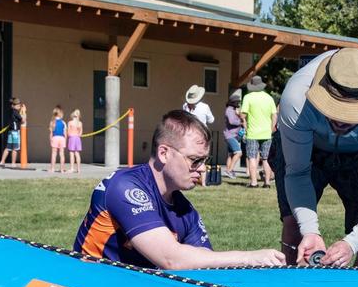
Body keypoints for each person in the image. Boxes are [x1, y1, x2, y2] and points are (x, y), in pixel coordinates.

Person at [74, 110, 285, 269]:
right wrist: (249, 258)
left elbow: (204, 263)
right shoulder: (124, 187)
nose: (202, 169)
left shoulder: (186, 210)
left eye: (204, 160)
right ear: (164, 153)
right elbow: (171, 259)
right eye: (195, 160)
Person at [272, 48, 358, 268]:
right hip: (309, 147)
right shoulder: (296, 98)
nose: (340, 120)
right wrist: (310, 230)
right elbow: (297, 172)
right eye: (334, 109)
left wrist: (352, 243)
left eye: (353, 114)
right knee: (294, 232)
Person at [240, 75, 277, 188]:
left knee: (252, 157)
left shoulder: (248, 97)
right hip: (267, 133)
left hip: (252, 133)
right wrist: (271, 129)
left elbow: (243, 115)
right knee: (266, 158)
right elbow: (274, 115)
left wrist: (244, 122)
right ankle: (267, 182)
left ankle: (254, 182)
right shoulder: (269, 98)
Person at [222, 89, 243, 179]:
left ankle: (228, 170)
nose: (238, 104)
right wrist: (240, 121)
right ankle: (229, 170)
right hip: (230, 135)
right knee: (238, 153)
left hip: (232, 135)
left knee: (231, 154)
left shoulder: (232, 110)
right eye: (237, 102)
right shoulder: (229, 110)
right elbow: (232, 121)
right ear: (233, 103)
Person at [0, 97, 25, 167]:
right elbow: (23, 120)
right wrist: (24, 112)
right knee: (15, 148)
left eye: (20, 106)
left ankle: (2, 161)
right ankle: (13, 163)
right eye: (19, 106)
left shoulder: (11, 111)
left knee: (8, 148)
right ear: (14, 106)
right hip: (15, 132)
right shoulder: (16, 112)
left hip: (10, 132)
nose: (19, 107)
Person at [49, 105, 66, 172]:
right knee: (62, 154)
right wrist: (65, 140)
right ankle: (62, 169)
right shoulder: (63, 122)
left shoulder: (52, 122)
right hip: (62, 138)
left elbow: (51, 133)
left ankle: (52, 169)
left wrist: (50, 139)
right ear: (61, 114)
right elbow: (65, 133)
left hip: (55, 138)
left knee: (54, 154)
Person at [66, 109, 83, 173]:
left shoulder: (70, 122)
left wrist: (70, 135)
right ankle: (78, 169)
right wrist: (77, 135)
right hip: (78, 138)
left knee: (71, 153)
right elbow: (81, 133)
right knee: (77, 153)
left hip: (72, 138)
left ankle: (72, 168)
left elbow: (68, 132)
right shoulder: (80, 123)